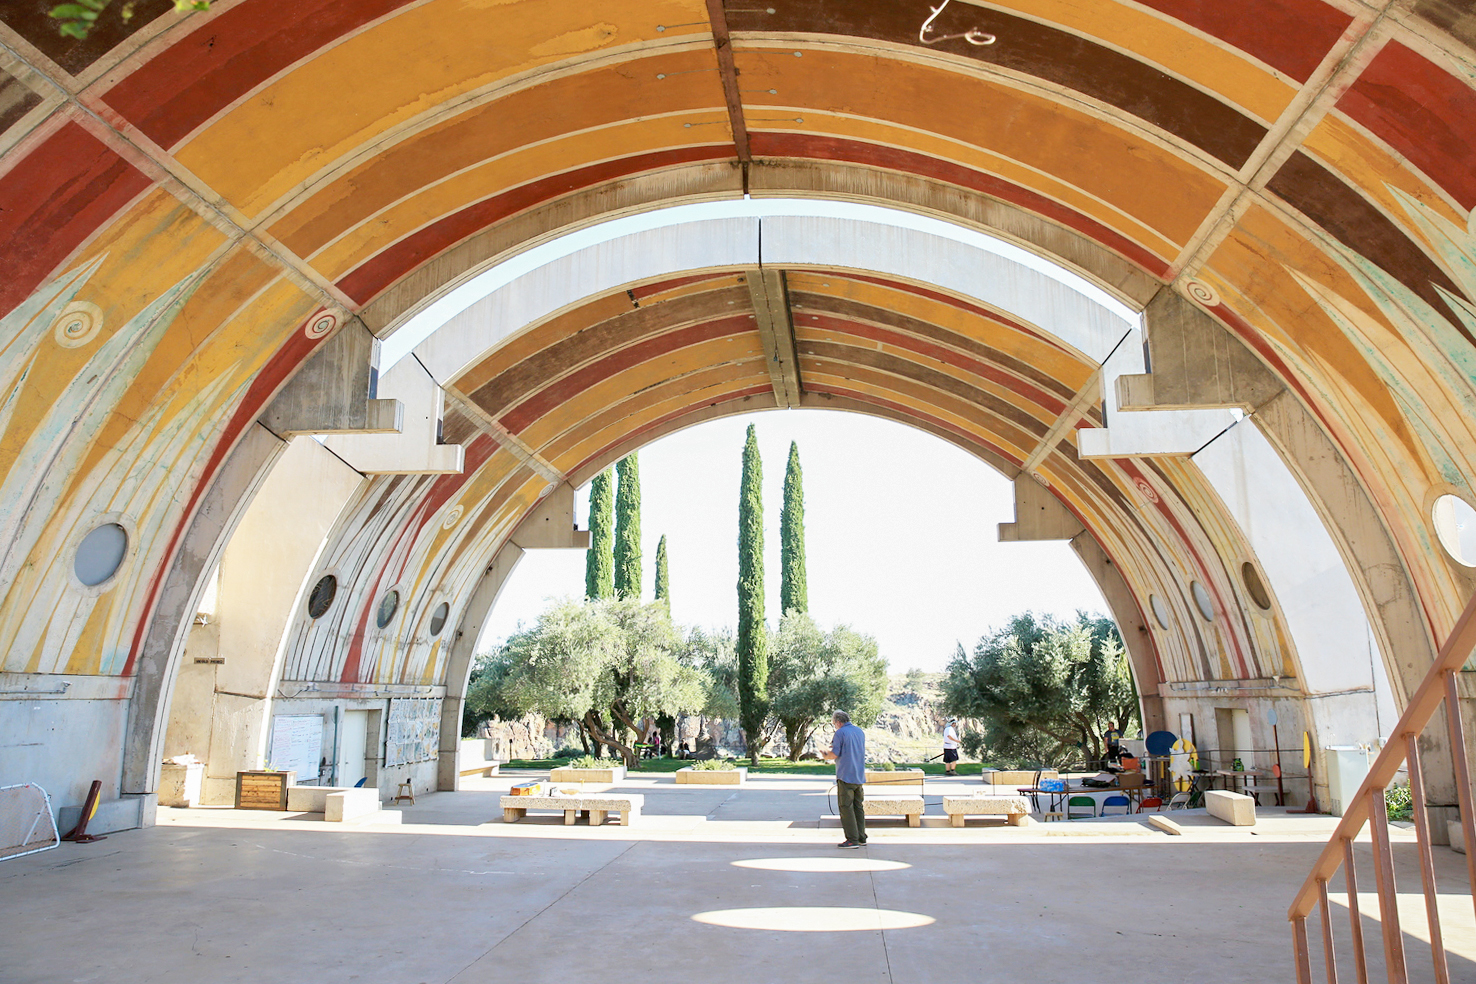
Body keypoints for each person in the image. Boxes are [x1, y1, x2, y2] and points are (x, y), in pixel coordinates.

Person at [823, 710, 867, 848]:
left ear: (838, 722)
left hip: (845, 775)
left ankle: (852, 839)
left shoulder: (840, 733)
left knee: (846, 808)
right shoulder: (859, 731)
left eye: (834, 723)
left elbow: (834, 754)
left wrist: (825, 754)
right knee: (858, 807)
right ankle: (861, 837)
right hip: (859, 775)